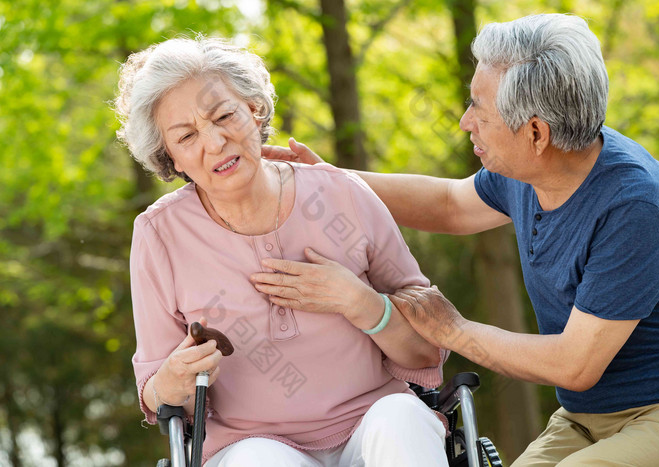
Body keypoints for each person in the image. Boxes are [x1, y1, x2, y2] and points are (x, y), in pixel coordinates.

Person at [263, 13, 659, 466]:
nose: (464, 121)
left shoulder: (634, 207)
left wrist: (454, 331)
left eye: (479, 109)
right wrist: (333, 182)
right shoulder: (533, 169)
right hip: (586, 417)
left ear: (535, 132)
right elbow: (450, 204)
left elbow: (576, 364)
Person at [115, 36, 451, 467]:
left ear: (254, 110)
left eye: (224, 115)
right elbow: (155, 391)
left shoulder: (343, 194)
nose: (215, 142)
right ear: (171, 158)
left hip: (375, 425)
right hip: (251, 445)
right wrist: (171, 380)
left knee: (402, 417)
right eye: (186, 136)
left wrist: (362, 303)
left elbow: (427, 350)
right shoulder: (159, 235)